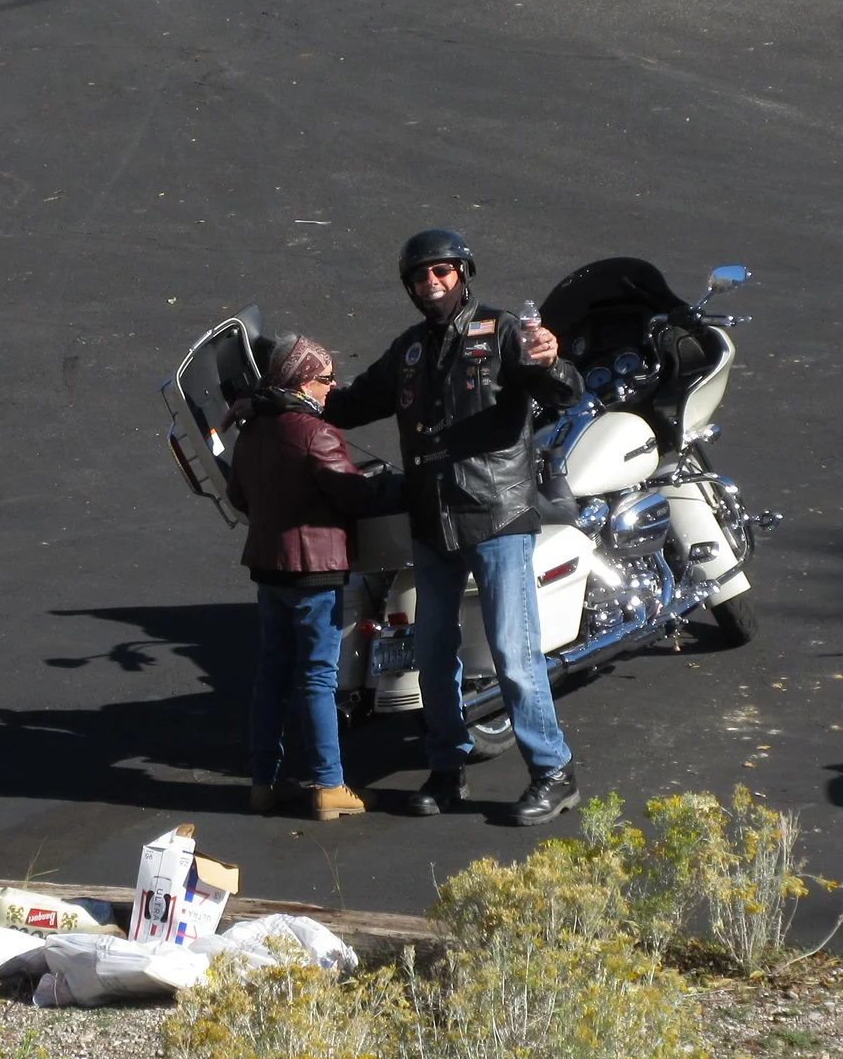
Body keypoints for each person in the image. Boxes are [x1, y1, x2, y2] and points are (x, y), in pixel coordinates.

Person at [323, 229, 585, 824]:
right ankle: (447, 771)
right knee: (434, 656)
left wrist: (552, 359)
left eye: (442, 271)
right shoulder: (408, 351)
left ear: (463, 274)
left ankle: (553, 771)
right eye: (420, 276)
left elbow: (563, 391)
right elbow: (347, 404)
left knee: (514, 656)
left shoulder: (502, 332)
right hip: (431, 524)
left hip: (498, 516)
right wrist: (286, 396)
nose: (431, 283)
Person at [225, 335, 403, 820]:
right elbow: (353, 498)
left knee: (272, 676)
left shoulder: (253, 431)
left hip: (268, 569)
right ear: (304, 381)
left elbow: (239, 497)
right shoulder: (316, 433)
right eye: (326, 379)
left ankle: (264, 783)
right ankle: (328, 785)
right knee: (318, 679)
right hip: (314, 574)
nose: (333, 387)